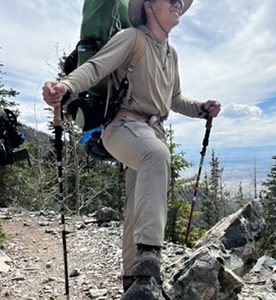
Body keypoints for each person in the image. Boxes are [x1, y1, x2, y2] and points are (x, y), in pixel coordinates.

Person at [42, 0, 221, 292]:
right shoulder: (131, 38)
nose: (178, 4)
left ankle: (132, 281)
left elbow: (174, 100)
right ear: (149, 6)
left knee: (136, 205)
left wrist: (201, 108)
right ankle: (150, 253)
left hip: (151, 131)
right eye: (171, 0)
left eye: (181, 2)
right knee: (156, 156)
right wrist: (66, 86)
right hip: (122, 127)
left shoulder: (171, 53)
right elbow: (95, 68)